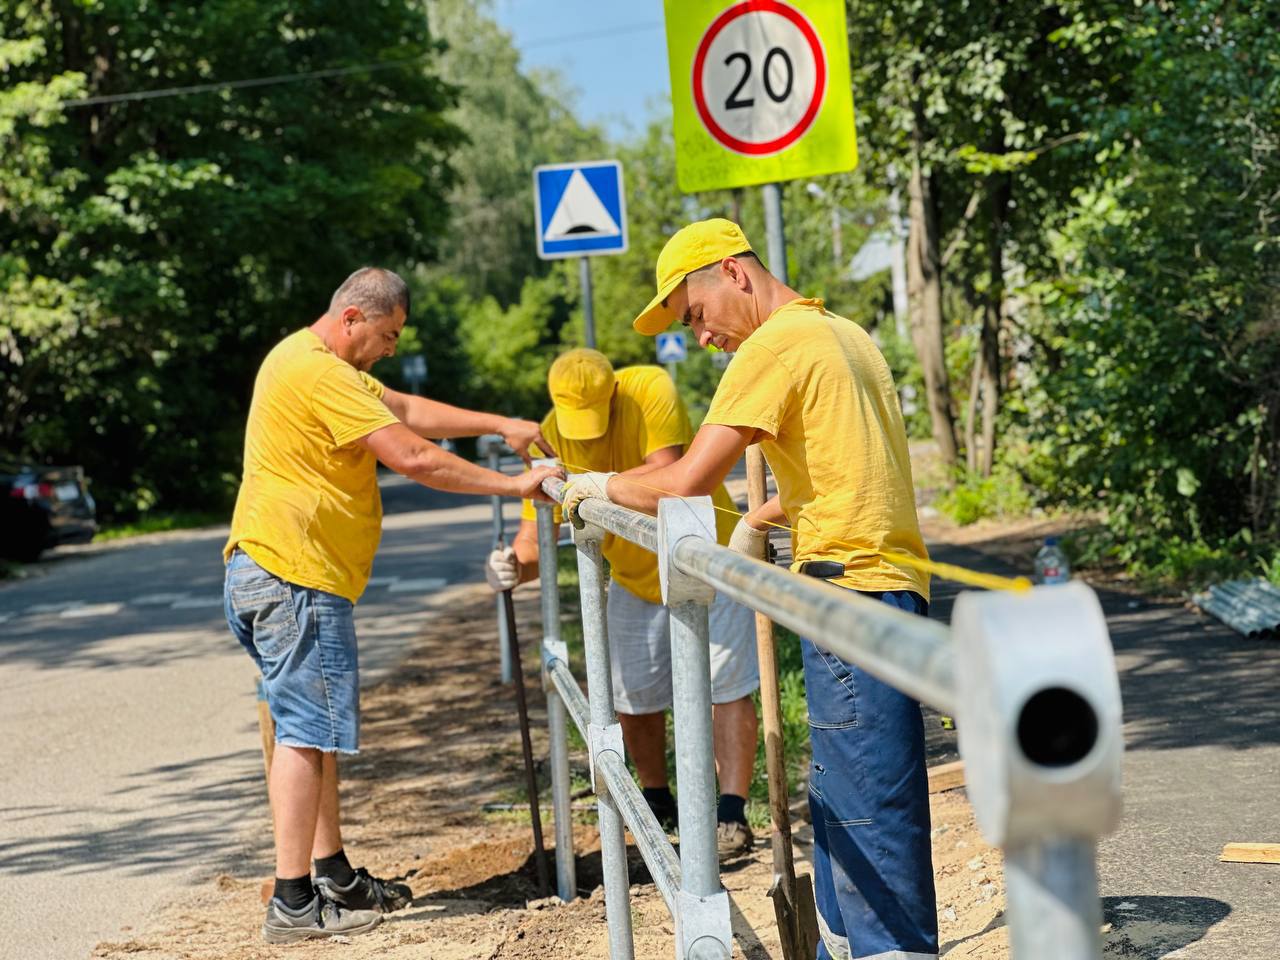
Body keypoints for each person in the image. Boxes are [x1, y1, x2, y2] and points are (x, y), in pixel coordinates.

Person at [563, 220, 939, 960]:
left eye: (694, 314)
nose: (700, 337)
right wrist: (763, 517)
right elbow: (846, 470)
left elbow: (684, 482)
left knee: (871, 822)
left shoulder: (774, 347)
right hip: (879, 587)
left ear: (733, 273)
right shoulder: (841, 333)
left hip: (851, 598)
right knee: (843, 812)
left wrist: (597, 485)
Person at [223, 266, 562, 943]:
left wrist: (503, 424)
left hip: (274, 569)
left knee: (309, 731)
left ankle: (332, 873)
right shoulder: (318, 371)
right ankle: (293, 901)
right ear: (351, 318)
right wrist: (513, 482)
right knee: (302, 733)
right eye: (386, 335)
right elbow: (412, 455)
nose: (388, 349)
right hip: (296, 575)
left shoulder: (313, 363)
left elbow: (405, 409)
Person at [485, 348, 761, 855]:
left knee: (726, 687)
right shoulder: (550, 432)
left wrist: (597, 485)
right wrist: (514, 568)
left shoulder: (649, 389)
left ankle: (731, 813)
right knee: (632, 694)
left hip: (705, 554)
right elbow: (533, 533)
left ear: (613, 392)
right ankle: (657, 801)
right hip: (634, 577)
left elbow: (670, 470)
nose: (587, 437)